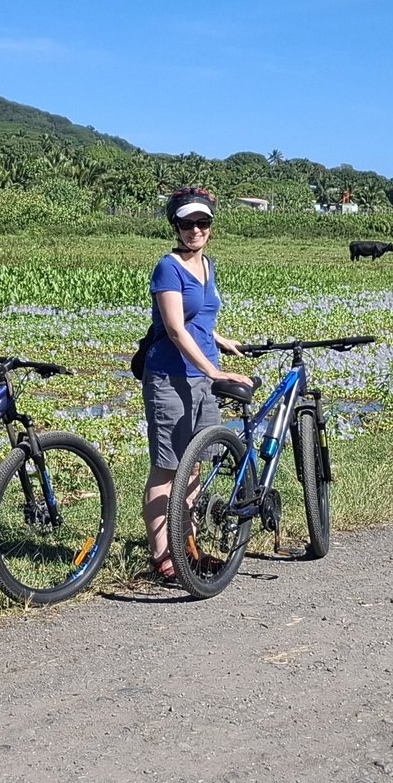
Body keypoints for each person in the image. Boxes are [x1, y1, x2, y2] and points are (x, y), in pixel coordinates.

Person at [140, 188, 249, 582]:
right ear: (176, 227)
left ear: (211, 227)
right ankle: (162, 557)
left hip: (202, 374)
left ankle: (188, 547)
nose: (195, 230)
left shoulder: (208, 265)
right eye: (187, 224)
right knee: (168, 468)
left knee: (196, 465)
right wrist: (216, 372)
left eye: (202, 223)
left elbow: (199, 317)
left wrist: (220, 341)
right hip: (171, 376)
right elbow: (173, 328)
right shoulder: (168, 267)